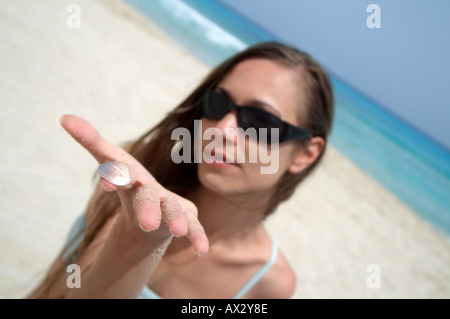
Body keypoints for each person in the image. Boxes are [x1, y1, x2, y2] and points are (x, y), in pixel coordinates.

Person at [28, 41, 334, 299]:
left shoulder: (269, 282)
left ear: (306, 154)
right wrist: (136, 236)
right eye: (216, 103)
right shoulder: (139, 170)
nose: (223, 129)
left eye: (261, 121)